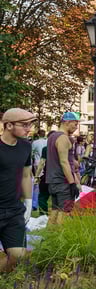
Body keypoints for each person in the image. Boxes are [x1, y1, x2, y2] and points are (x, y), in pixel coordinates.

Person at [0, 109, 35, 273]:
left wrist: (28, 201)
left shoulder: (26, 146)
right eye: (25, 125)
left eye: (30, 124)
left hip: (14, 210)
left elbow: (26, 175)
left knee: (18, 256)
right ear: (8, 125)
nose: (29, 129)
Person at [45, 112, 81, 223]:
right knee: (65, 211)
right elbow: (63, 162)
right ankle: (60, 237)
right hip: (63, 182)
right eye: (75, 124)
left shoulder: (52, 137)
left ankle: (49, 237)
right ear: (67, 122)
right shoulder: (63, 138)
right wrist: (72, 183)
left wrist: (74, 162)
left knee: (55, 210)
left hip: (52, 180)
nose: (76, 127)